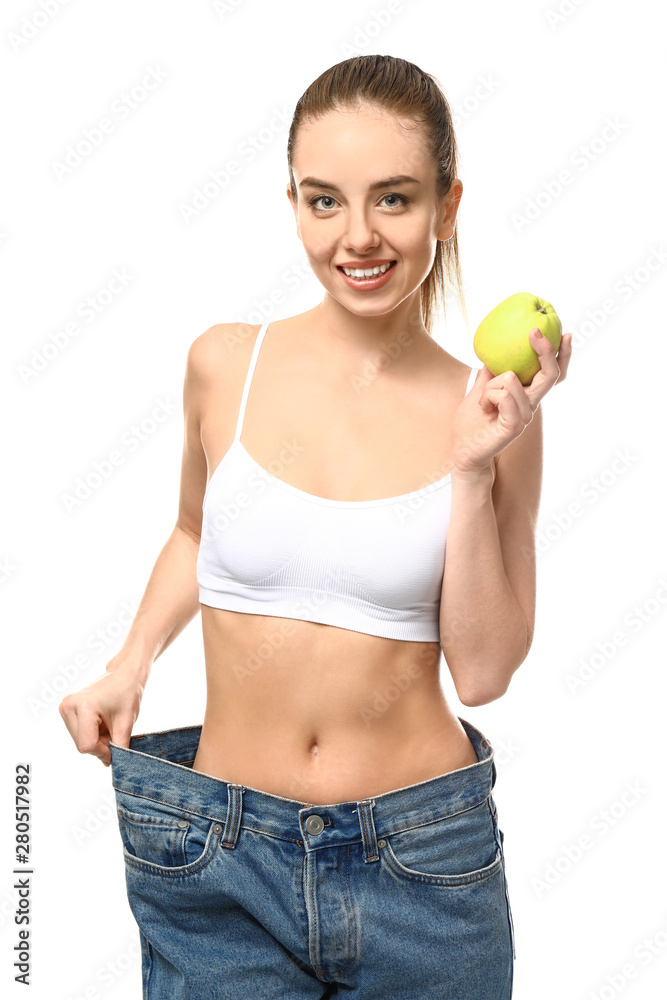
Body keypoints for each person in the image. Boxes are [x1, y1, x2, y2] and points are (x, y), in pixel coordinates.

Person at [59, 54, 572, 999]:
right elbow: (189, 532)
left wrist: (469, 471)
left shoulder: (491, 415)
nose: (359, 236)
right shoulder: (224, 364)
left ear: (446, 206)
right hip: (219, 860)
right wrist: (129, 663)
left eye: (394, 199)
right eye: (324, 201)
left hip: (424, 869)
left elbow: (486, 673)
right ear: (292, 202)